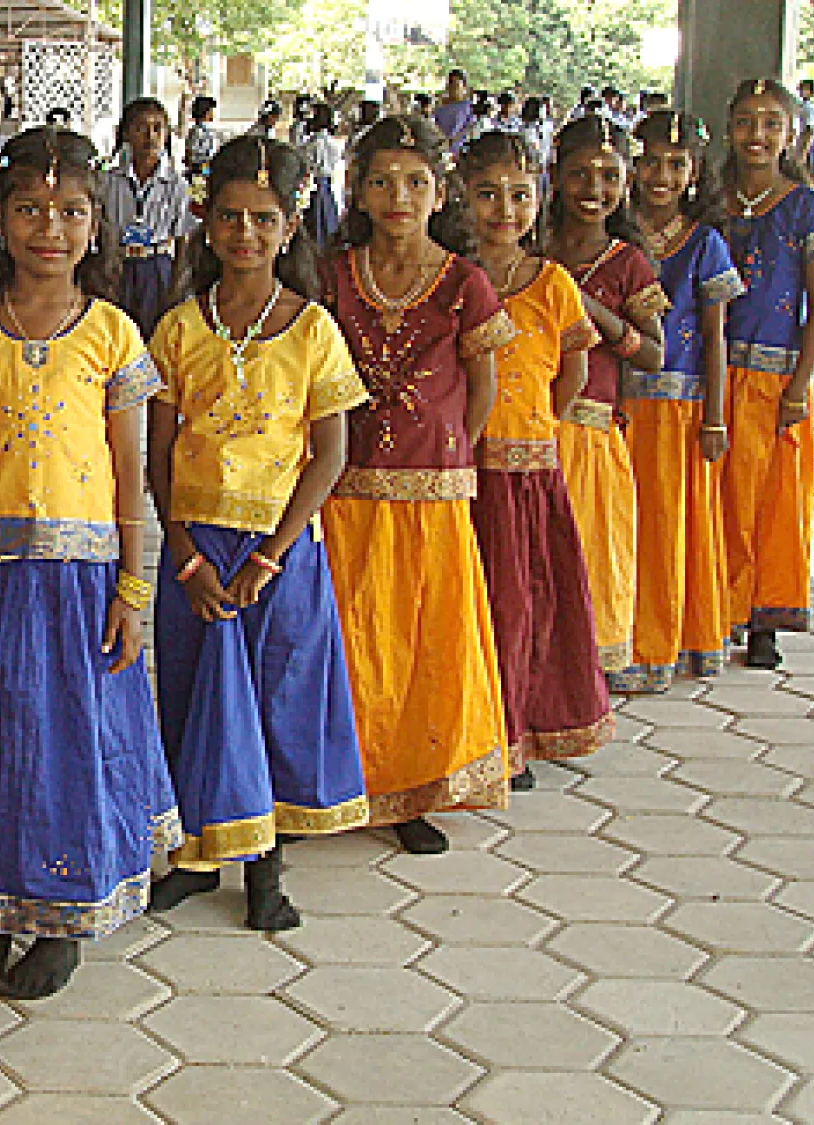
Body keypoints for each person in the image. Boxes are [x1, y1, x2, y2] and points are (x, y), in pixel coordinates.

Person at [0, 128, 181, 1000]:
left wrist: (134, 590)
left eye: (72, 210)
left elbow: (133, 475)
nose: (50, 228)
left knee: (72, 742)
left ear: (97, 226)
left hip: (83, 581)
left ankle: (63, 913)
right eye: (29, 208)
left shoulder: (111, 333)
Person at [145, 136, 369, 930]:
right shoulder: (177, 329)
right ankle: (198, 855)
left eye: (264, 219)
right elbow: (159, 450)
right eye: (231, 217)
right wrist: (184, 554)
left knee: (275, 701)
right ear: (205, 224)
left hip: (279, 553)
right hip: (199, 550)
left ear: (288, 227)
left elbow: (332, 450)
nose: (246, 233)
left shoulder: (312, 329)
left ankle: (266, 866)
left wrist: (271, 555)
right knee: (195, 697)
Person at [320, 115, 513, 855]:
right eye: (380, 181)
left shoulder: (464, 281)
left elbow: (483, 386)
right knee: (354, 632)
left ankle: (416, 785)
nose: (397, 195)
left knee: (424, 637)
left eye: (414, 182)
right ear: (358, 192)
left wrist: (449, 447)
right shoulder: (337, 274)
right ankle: (345, 777)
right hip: (346, 486)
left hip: (434, 490)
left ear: (441, 192)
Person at [459, 131, 612, 788]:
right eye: (488, 193)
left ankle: (516, 732)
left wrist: (534, 428)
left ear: (539, 199)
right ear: (461, 198)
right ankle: (469, 731)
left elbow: (572, 374)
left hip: (530, 473)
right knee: (470, 604)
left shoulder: (552, 284)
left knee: (523, 606)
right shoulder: (450, 276)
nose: (504, 210)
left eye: (520, 195)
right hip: (464, 468)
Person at [615, 109, 744, 692]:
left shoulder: (705, 243)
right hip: (611, 404)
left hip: (676, 407)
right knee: (618, 524)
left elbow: (715, 337)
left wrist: (715, 417)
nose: (660, 175)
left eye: (674, 164)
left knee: (664, 525)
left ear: (693, 172)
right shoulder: (613, 236)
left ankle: (657, 644)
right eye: (648, 163)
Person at [545, 115, 669, 676]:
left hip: (591, 434)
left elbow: (654, 354)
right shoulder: (532, 248)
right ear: (555, 177)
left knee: (587, 561)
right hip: (527, 428)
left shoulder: (627, 262)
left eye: (608, 176)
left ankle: (578, 686)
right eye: (579, 174)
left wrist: (592, 312)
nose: (593, 190)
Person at [718, 78, 814, 669]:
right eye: (746, 122)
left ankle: (764, 618)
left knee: (770, 500)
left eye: (770, 124)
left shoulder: (804, 208)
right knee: (715, 496)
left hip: (774, 374)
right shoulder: (711, 199)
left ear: (790, 134)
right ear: (730, 129)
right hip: (707, 373)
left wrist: (801, 383)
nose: (757, 135)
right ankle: (713, 609)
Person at [105, 98, 195, 340]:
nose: (150, 136)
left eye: (158, 128)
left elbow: (183, 240)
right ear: (126, 134)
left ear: (166, 135)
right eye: (140, 128)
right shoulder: (109, 182)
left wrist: (176, 285)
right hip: (119, 264)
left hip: (157, 266)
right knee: (118, 333)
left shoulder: (177, 186)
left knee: (155, 336)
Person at [300, 102, 344, 249]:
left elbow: (310, 164)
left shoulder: (316, 143)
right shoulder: (330, 142)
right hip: (324, 183)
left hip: (318, 183)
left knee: (318, 218)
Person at [433, 69, 475, 152]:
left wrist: (452, 140)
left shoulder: (468, 107)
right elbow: (434, 126)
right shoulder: (440, 106)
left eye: (456, 85)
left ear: (464, 87)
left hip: (459, 151)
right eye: (450, 84)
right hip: (439, 149)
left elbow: (468, 129)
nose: (452, 89)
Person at [185, 95, 218, 179]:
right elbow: (190, 154)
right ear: (205, 112)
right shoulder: (197, 132)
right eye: (211, 111)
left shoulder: (207, 130)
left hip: (206, 167)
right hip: (199, 169)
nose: (213, 114)